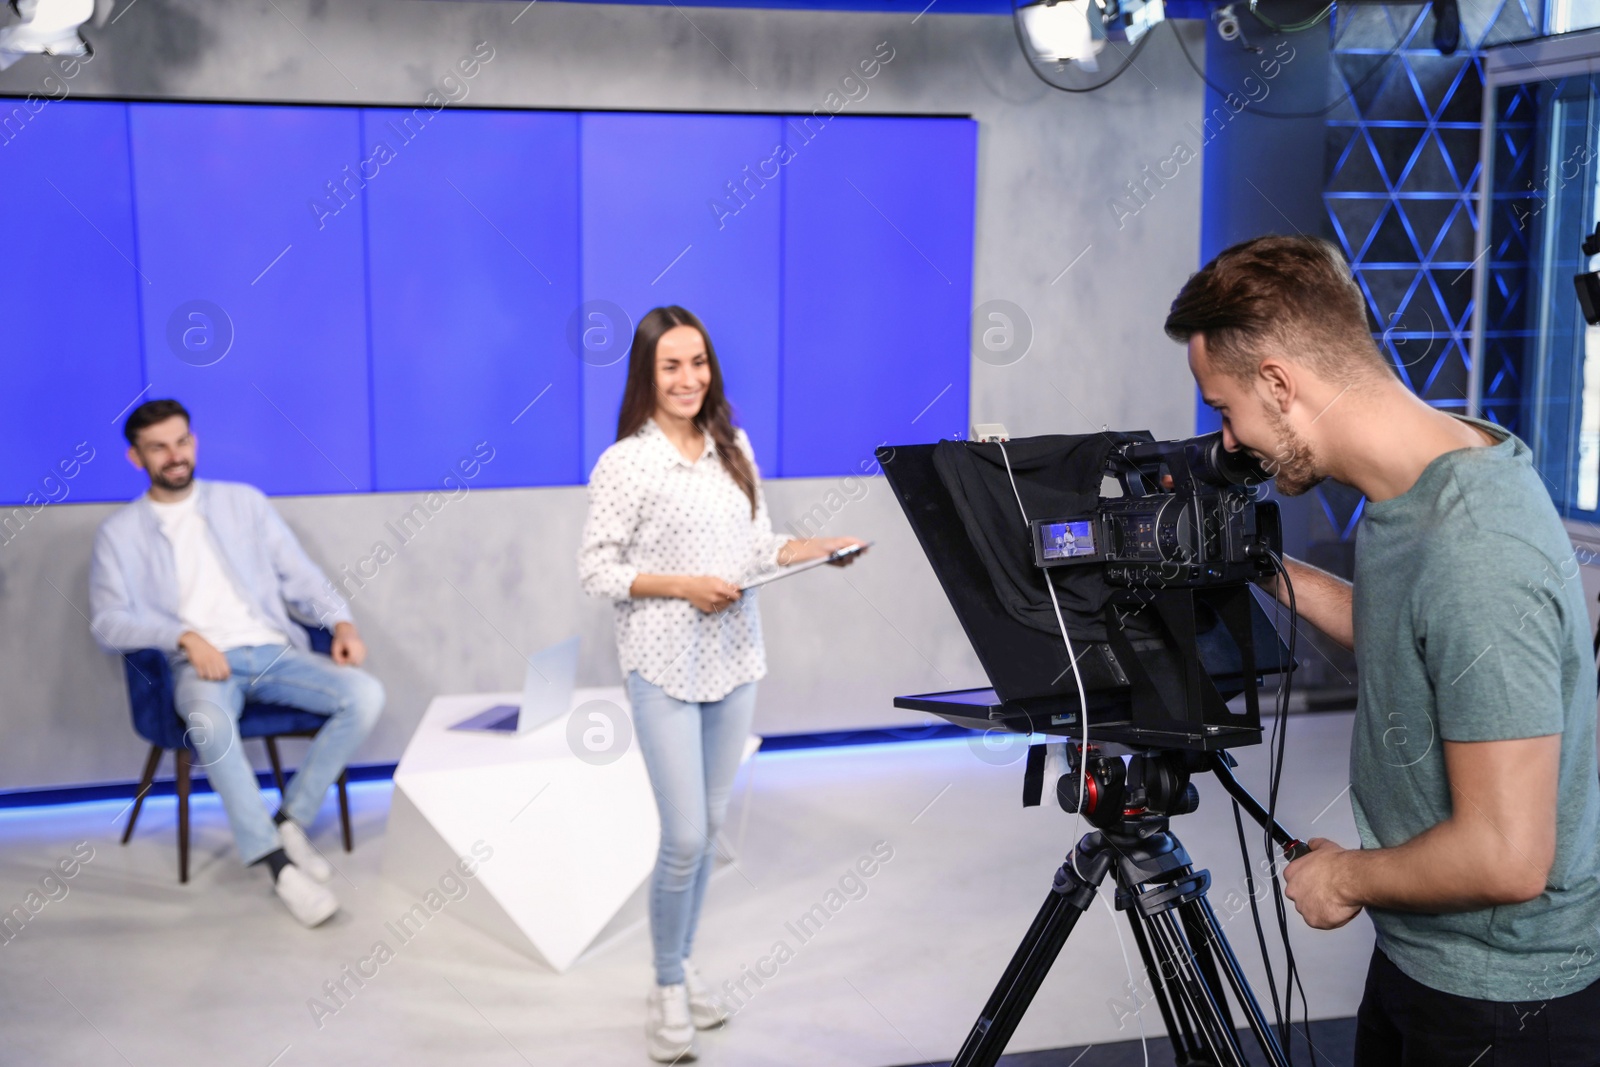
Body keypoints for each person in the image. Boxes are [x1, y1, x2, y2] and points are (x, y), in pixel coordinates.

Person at [1165, 235, 1600, 1063]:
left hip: (1503, 1003)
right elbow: (1416, 631)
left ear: (1280, 384)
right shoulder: (1422, 477)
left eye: (1226, 410)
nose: (1229, 444)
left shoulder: (1478, 547)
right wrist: (1257, 565)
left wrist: (1349, 876)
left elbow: (1509, 856)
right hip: (1424, 960)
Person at [578, 306, 868, 1063]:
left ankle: (679, 966)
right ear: (646, 373)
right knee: (682, 837)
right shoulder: (626, 464)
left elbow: (757, 547)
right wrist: (683, 586)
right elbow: (597, 569)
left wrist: (819, 547)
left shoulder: (732, 447)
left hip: (735, 659)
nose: (688, 379)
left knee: (706, 833)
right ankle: (666, 985)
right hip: (662, 664)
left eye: (698, 362)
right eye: (671, 365)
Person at [90, 399, 384, 928]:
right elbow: (108, 624)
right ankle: (277, 866)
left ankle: (290, 820)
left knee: (363, 694)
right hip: (195, 665)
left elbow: (301, 576)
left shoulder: (244, 503)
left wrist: (341, 622)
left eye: (182, 441)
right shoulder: (119, 534)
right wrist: (180, 634)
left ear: (194, 443)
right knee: (210, 725)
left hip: (272, 650)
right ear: (137, 458)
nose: (174, 456)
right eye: (158, 447)